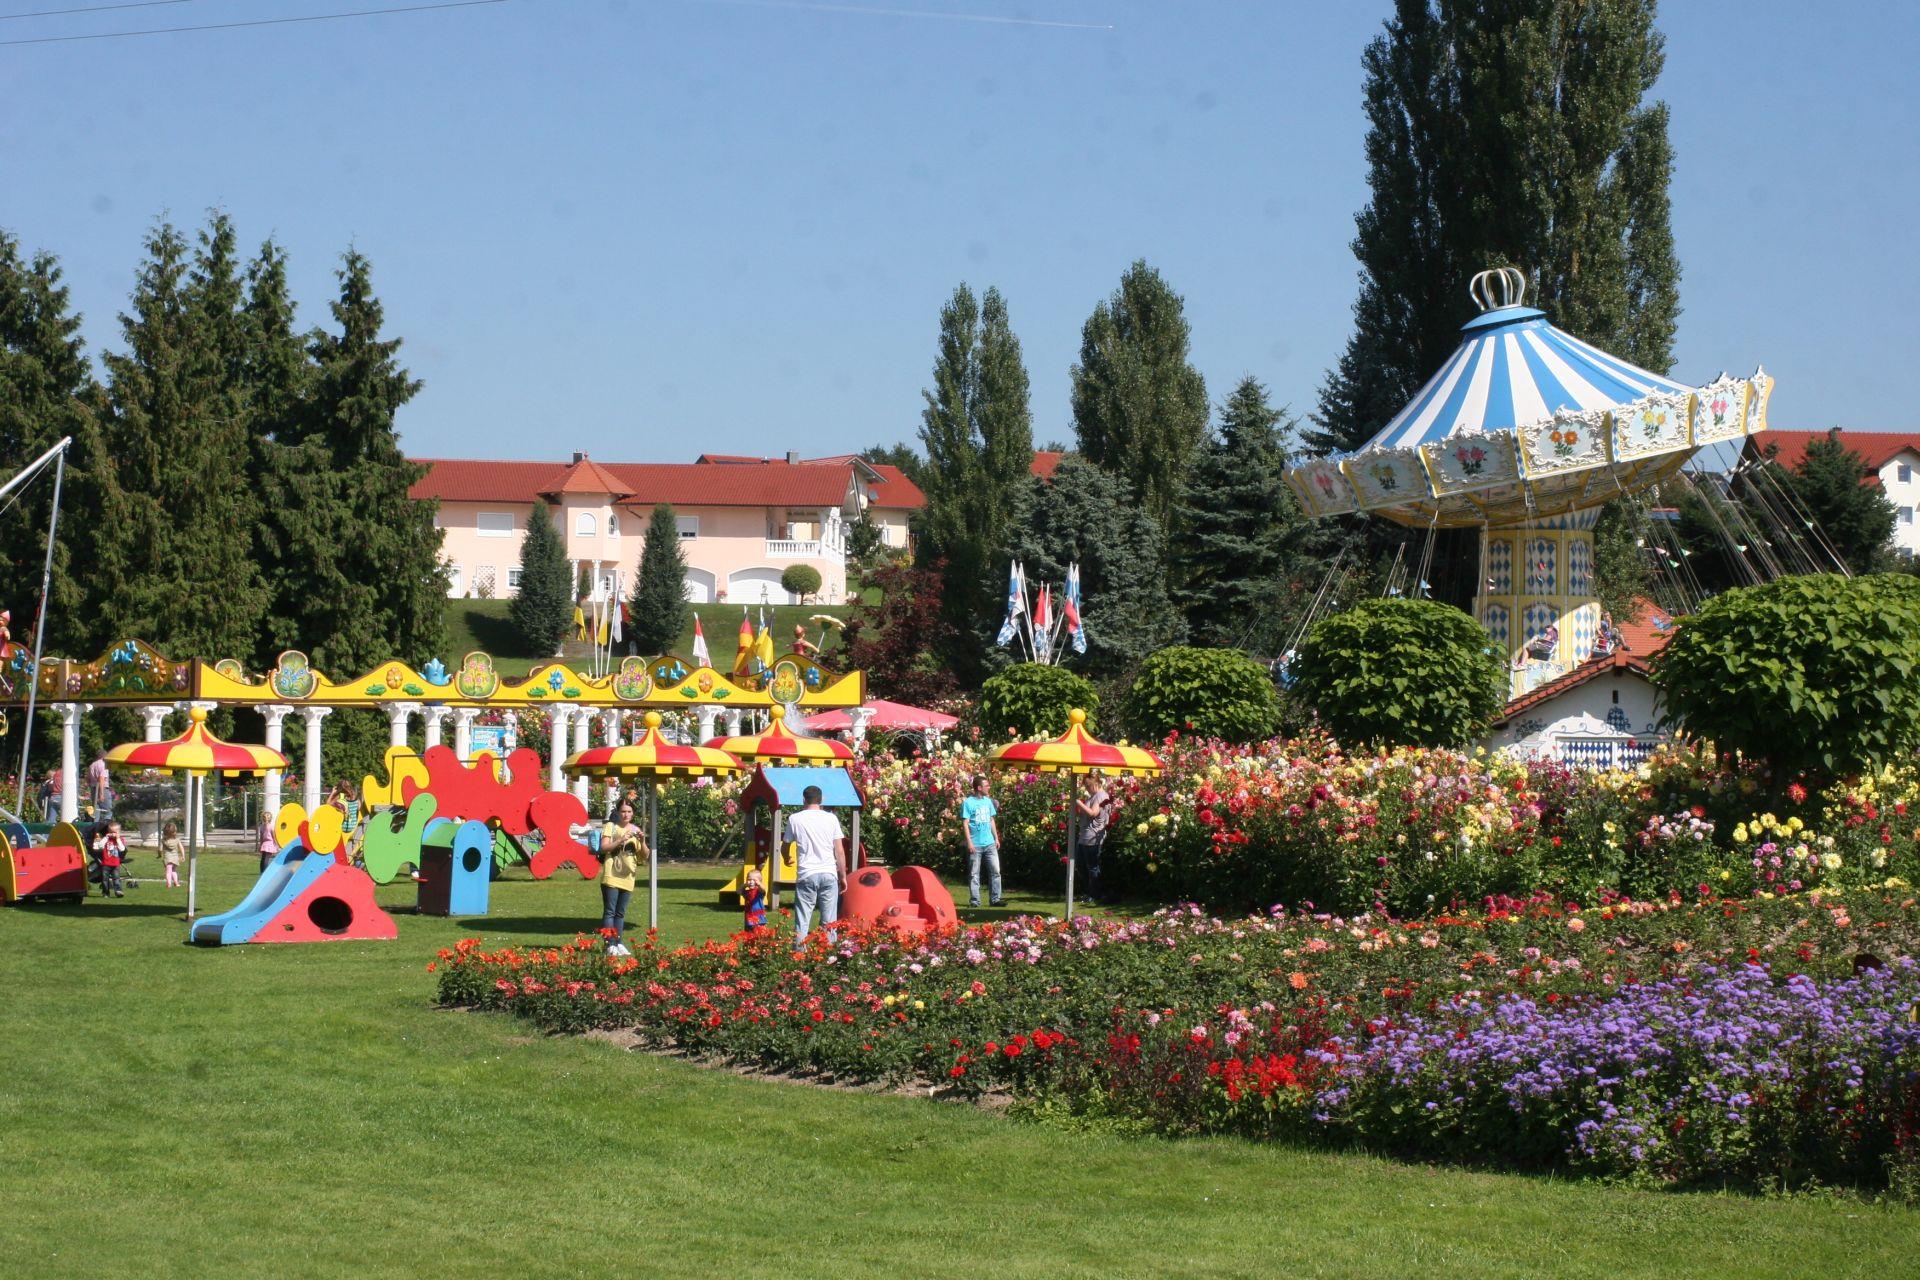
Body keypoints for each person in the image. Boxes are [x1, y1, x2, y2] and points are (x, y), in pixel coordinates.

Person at [788, 785, 848, 945]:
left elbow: (786, 844)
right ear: (821, 800)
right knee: (829, 922)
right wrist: (842, 876)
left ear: (803, 800)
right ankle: (828, 956)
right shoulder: (831, 818)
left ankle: (799, 956)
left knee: (802, 920)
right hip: (829, 873)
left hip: (806, 874)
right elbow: (839, 851)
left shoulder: (794, 819)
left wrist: (786, 857)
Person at [598, 799, 645, 955]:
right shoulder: (611, 827)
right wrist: (620, 840)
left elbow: (644, 856)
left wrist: (643, 841)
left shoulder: (635, 829)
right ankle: (608, 944)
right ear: (618, 812)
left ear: (633, 813)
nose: (626, 814)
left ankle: (618, 942)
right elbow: (604, 848)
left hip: (628, 876)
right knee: (610, 911)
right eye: (623, 811)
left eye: (629, 811)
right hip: (611, 875)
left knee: (620, 913)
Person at [959, 775, 1004, 909]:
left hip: (989, 843)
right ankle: (975, 901)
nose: (989, 787)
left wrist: (996, 838)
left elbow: (991, 820)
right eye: (986, 786)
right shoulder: (968, 803)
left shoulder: (988, 801)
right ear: (979, 788)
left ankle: (995, 899)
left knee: (996, 871)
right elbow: (965, 823)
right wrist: (969, 843)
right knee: (974, 874)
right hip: (976, 845)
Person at [1073, 775, 1114, 908]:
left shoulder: (1101, 796)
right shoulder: (1093, 796)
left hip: (1093, 837)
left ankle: (1094, 894)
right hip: (1084, 836)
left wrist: (1077, 802)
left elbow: (1093, 813)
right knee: (1080, 865)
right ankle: (1088, 892)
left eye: (1088, 786)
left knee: (1092, 867)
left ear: (1095, 784)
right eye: (1085, 786)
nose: (1087, 789)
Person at [94, 820, 127, 898]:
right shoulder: (106, 840)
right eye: (110, 832)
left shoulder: (120, 840)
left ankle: (118, 891)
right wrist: (106, 837)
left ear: (118, 832)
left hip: (115, 864)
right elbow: (100, 846)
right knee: (105, 880)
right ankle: (106, 893)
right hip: (106, 863)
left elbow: (122, 849)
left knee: (116, 878)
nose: (112, 834)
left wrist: (117, 839)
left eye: (114, 832)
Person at [741, 867, 768, 931]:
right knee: (748, 937)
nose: (751, 882)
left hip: (759, 921)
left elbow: (763, 890)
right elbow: (739, 891)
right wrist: (745, 885)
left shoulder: (759, 891)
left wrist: (759, 884)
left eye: (754, 880)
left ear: (759, 881)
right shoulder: (747, 892)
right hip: (748, 920)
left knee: (759, 938)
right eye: (749, 879)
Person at [160, 820, 186, 888]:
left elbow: (160, 849)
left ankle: (168, 883)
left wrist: (159, 854)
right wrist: (183, 856)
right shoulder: (177, 840)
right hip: (175, 858)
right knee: (174, 870)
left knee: (168, 871)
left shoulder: (163, 840)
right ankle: (176, 883)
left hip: (168, 857)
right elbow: (182, 848)